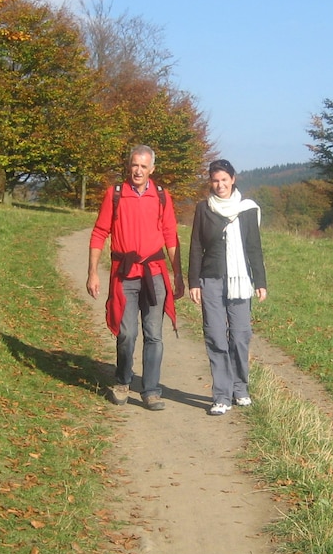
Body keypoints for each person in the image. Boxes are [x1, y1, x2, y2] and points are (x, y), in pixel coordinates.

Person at [87, 145, 184, 411]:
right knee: (127, 333)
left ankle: (151, 390)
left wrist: (178, 275)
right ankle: (122, 381)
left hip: (154, 274)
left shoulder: (162, 196)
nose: (138, 170)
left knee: (154, 334)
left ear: (152, 169)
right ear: (128, 166)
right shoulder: (115, 194)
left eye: (143, 166)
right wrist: (92, 272)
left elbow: (170, 236)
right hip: (125, 273)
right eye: (134, 165)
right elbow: (99, 232)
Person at [188, 159, 267, 416]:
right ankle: (221, 395)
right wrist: (194, 282)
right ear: (210, 182)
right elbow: (197, 246)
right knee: (215, 335)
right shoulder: (204, 209)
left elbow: (254, 247)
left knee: (241, 335)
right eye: (215, 180)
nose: (220, 185)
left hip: (241, 280)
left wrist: (261, 281)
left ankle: (240, 388)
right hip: (211, 280)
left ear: (233, 179)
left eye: (224, 179)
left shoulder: (247, 209)